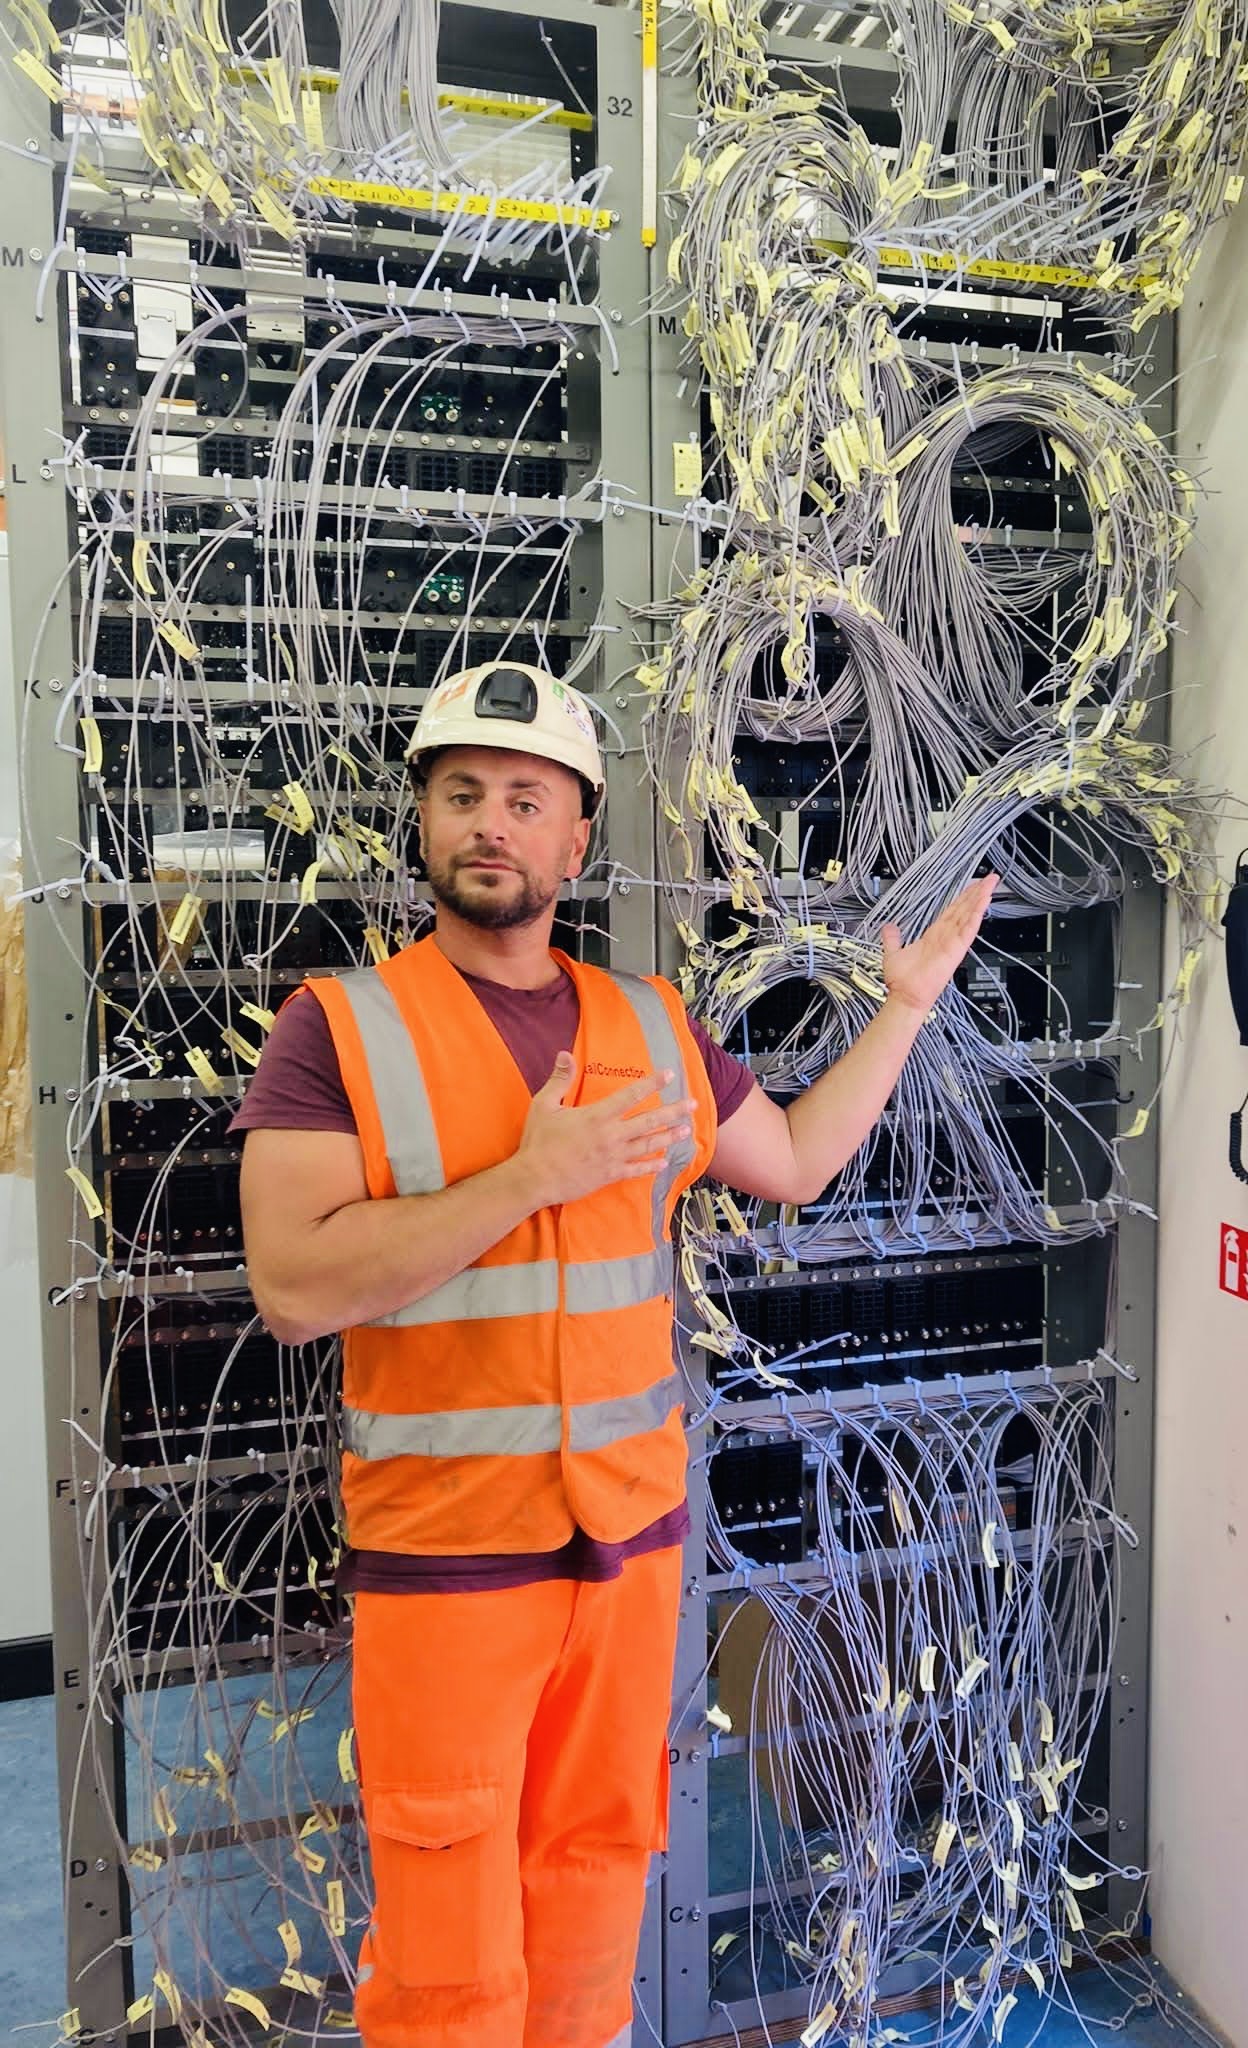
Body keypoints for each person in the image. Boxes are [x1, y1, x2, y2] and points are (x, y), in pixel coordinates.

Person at [236, 660, 997, 2048]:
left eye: (527, 800)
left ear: (575, 840)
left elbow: (797, 1160)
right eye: (463, 793)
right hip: (450, 1561)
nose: (492, 823)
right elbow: (293, 1287)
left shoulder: (650, 1024)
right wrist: (531, 1176)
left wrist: (903, 1008)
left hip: (628, 1552)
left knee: (591, 1898)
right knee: (449, 1954)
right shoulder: (336, 1030)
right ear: (423, 822)